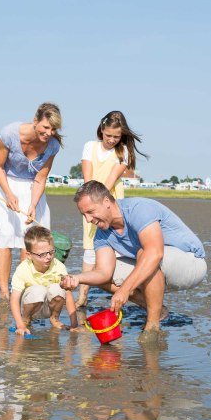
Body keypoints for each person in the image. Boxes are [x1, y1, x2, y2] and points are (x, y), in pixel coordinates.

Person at [61, 181, 207, 332]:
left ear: (106, 202)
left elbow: (154, 253)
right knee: (98, 276)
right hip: (156, 263)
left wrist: (124, 290)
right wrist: (78, 278)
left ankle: (151, 328)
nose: (88, 219)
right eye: (83, 214)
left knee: (145, 254)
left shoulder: (138, 209)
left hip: (191, 263)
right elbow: (103, 273)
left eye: (90, 212)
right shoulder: (101, 234)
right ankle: (157, 310)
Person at [0, 103, 63, 300]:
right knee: (5, 236)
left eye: (53, 129)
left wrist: (32, 204)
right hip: (3, 182)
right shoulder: (9, 133)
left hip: (32, 186)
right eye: (46, 127)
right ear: (36, 121)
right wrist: (9, 194)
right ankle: (5, 293)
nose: (49, 133)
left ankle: (25, 290)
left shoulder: (53, 145)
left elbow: (41, 177)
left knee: (29, 238)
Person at [77, 111, 148, 307]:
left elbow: (108, 183)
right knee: (90, 249)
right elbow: (88, 179)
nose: (111, 140)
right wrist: (90, 206)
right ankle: (82, 296)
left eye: (116, 137)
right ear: (101, 130)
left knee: (115, 247)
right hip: (92, 202)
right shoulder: (90, 147)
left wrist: (98, 203)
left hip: (111, 202)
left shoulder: (122, 151)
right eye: (108, 135)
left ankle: (124, 292)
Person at [10, 226, 78, 335]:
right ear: (29, 255)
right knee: (38, 290)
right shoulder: (23, 269)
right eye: (42, 254)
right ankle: (26, 320)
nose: (48, 257)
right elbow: (14, 299)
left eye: (51, 252)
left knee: (58, 288)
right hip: (29, 306)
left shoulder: (58, 266)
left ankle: (54, 319)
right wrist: (20, 324)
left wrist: (74, 324)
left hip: (49, 307)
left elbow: (68, 295)